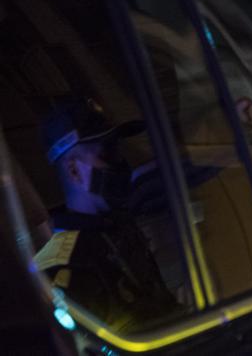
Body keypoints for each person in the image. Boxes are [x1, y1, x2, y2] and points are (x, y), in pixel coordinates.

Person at [33, 98, 178, 333]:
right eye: (107, 154)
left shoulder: (118, 227)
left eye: (118, 152)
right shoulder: (62, 268)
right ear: (73, 170)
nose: (121, 164)